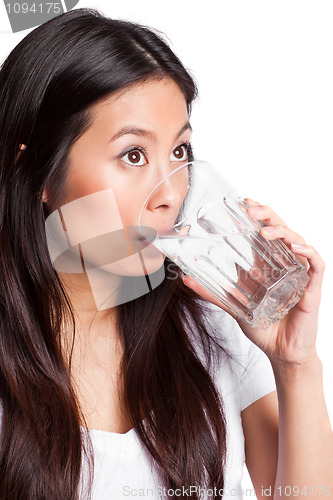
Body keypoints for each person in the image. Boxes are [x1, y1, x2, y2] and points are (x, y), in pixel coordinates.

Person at [0, 7, 331, 500]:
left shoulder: (213, 332)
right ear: (43, 174)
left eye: (179, 152)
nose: (170, 193)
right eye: (133, 155)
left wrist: (296, 365)